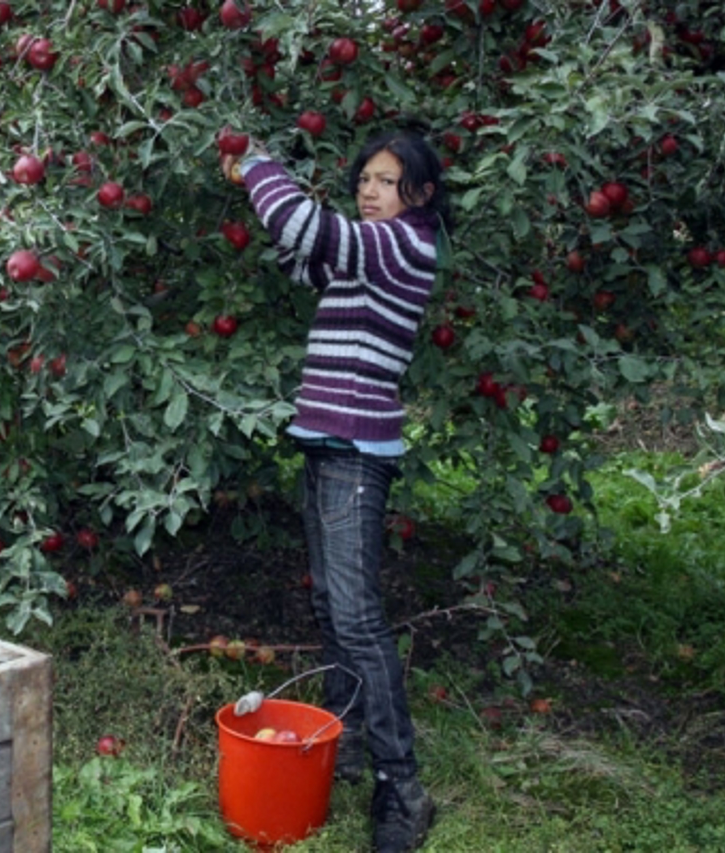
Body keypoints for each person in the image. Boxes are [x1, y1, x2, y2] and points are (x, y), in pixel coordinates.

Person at [222, 126, 450, 853]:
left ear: (420, 193)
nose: (370, 190)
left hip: (356, 452)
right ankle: (345, 741)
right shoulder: (367, 251)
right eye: (365, 179)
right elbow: (303, 257)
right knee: (331, 604)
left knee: (355, 617)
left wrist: (256, 161)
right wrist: (272, 194)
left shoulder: (405, 245)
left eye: (387, 180)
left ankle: (403, 786)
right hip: (326, 444)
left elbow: (302, 225)